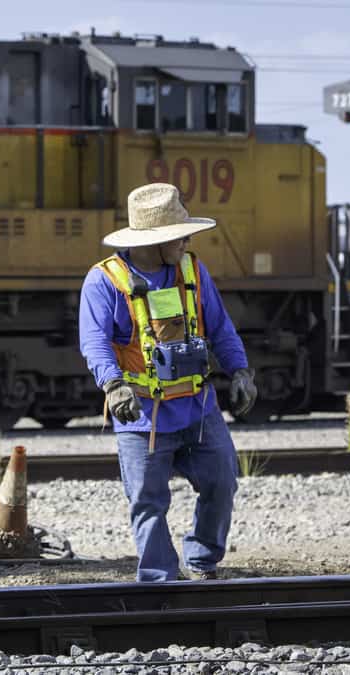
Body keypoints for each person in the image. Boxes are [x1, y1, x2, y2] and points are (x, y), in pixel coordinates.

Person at [79, 183, 257, 582]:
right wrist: (114, 385)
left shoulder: (192, 270)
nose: (188, 240)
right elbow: (94, 343)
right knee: (147, 502)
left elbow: (220, 326)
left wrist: (240, 370)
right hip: (142, 415)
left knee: (222, 480)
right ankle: (160, 581)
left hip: (197, 407)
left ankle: (202, 561)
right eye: (179, 235)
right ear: (153, 240)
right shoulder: (105, 282)